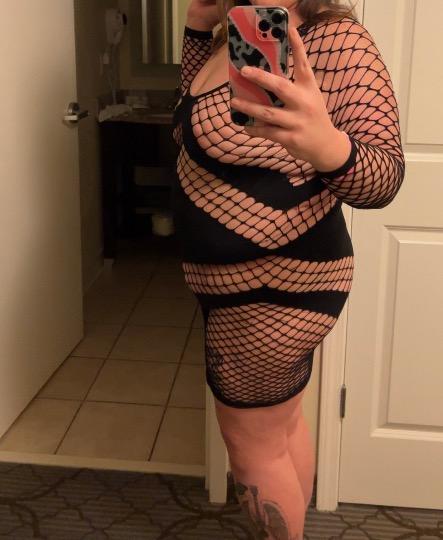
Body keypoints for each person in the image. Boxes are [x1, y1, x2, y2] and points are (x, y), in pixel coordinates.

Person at [172, 0, 405, 537]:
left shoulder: (333, 39)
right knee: (278, 429)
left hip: (276, 288)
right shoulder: (241, 35)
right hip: (237, 292)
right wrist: (198, 28)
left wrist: (329, 147)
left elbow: (385, 178)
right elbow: (194, 132)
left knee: (251, 445)